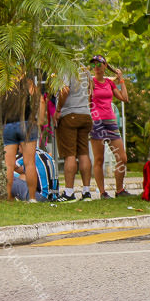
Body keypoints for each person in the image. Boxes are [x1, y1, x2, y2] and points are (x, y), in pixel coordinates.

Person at [88, 55, 132, 198]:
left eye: (99, 64)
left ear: (105, 66)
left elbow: (125, 98)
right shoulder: (91, 82)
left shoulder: (109, 83)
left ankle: (119, 190)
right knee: (99, 159)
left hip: (111, 122)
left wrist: (121, 80)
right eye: (94, 64)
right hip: (97, 123)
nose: (96, 67)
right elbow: (87, 103)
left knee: (122, 158)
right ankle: (102, 192)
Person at [56, 67, 94, 201]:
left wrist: (58, 110)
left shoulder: (66, 68)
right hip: (85, 115)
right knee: (84, 153)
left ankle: (69, 192)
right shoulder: (85, 70)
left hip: (70, 115)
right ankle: (86, 192)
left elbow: (65, 90)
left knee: (70, 154)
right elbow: (90, 92)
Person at [3, 78, 41, 202]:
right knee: (29, 163)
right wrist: (39, 122)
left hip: (8, 124)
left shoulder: (3, 79)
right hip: (27, 123)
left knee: (8, 165)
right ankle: (32, 198)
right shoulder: (27, 82)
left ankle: (8, 197)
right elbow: (40, 99)